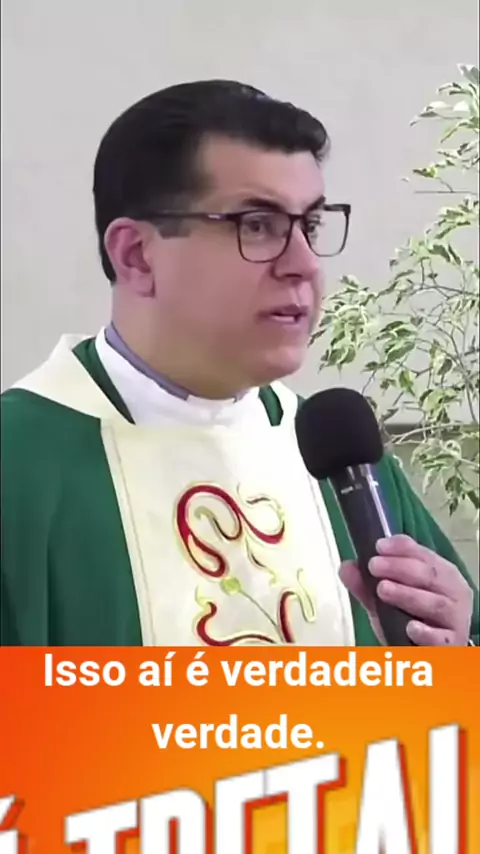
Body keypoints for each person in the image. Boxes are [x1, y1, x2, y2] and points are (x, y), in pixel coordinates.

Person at [1, 79, 477, 647]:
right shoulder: (19, 463)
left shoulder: (344, 465)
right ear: (136, 256)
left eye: (311, 225)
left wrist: (449, 665)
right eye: (257, 225)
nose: (304, 263)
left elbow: (444, 688)